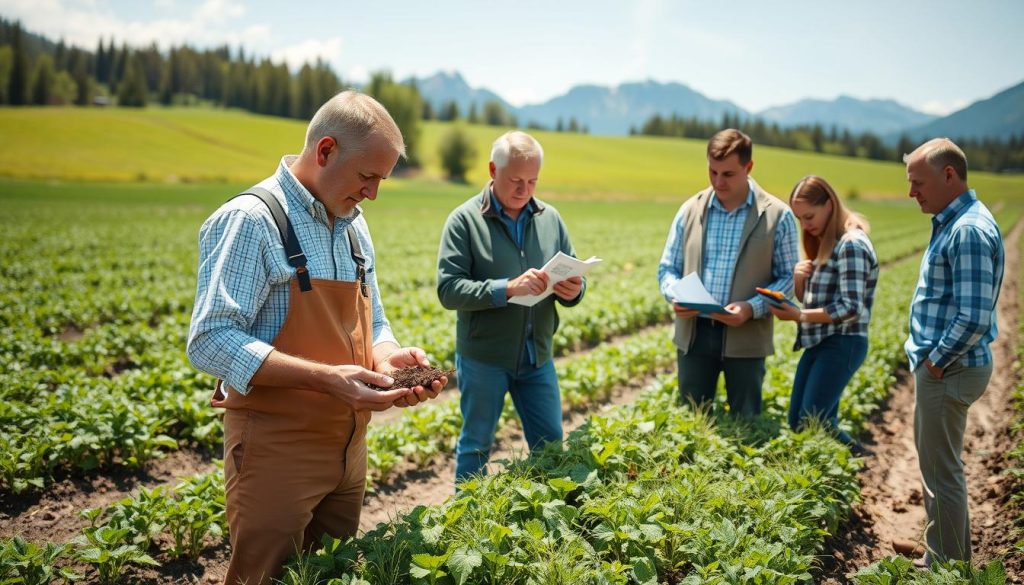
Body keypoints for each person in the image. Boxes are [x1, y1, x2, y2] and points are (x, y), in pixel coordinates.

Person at [186, 90, 446, 585]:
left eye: (381, 180)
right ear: (325, 151)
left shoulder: (352, 224)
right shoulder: (252, 220)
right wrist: (328, 379)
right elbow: (210, 338)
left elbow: (374, 324)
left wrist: (392, 358)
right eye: (367, 176)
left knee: (332, 574)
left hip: (348, 445)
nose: (373, 193)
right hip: (275, 448)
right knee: (263, 576)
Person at [437, 131, 585, 483]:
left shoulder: (551, 219)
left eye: (532, 181)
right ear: (492, 169)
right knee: (476, 446)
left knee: (550, 444)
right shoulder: (464, 220)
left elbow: (573, 272)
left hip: (538, 357)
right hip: (484, 359)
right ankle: (466, 523)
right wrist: (507, 289)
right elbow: (448, 289)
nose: (524, 190)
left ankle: (550, 515)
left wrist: (573, 290)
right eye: (515, 180)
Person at [893, 138, 1004, 567]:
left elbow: (973, 317)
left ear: (948, 176)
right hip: (948, 366)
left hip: (950, 367)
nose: (911, 192)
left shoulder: (968, 230)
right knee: (939, 467)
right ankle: (946, 554)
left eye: (917, 182)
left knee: (941, 472)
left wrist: (936, 360)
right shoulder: (955, 221)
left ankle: (945, 566)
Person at [657, 129, 798, 416]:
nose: (718, 182)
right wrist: (675, 296)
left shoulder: (777, 216)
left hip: (746, 338)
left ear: (749, 167)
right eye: (713, 171)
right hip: (694, 335)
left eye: (728, 174)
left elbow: (788, 279)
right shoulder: (689, 210)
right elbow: (667, 268)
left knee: (746, 421)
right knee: (692, 420)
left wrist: (751, 308)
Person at [765, 176, 878, 453]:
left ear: (829, 204)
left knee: (811, 420)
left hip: (842, 342)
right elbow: (815, 300)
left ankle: (856, 459)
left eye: (809, 216)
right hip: (820, 341)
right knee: (799, 420)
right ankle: (843, 459)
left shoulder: (851, 244)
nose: (805, 225)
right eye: (799, 219)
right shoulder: (829, 243)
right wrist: (799, 280)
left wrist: (798, 316)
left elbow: (851, 307)